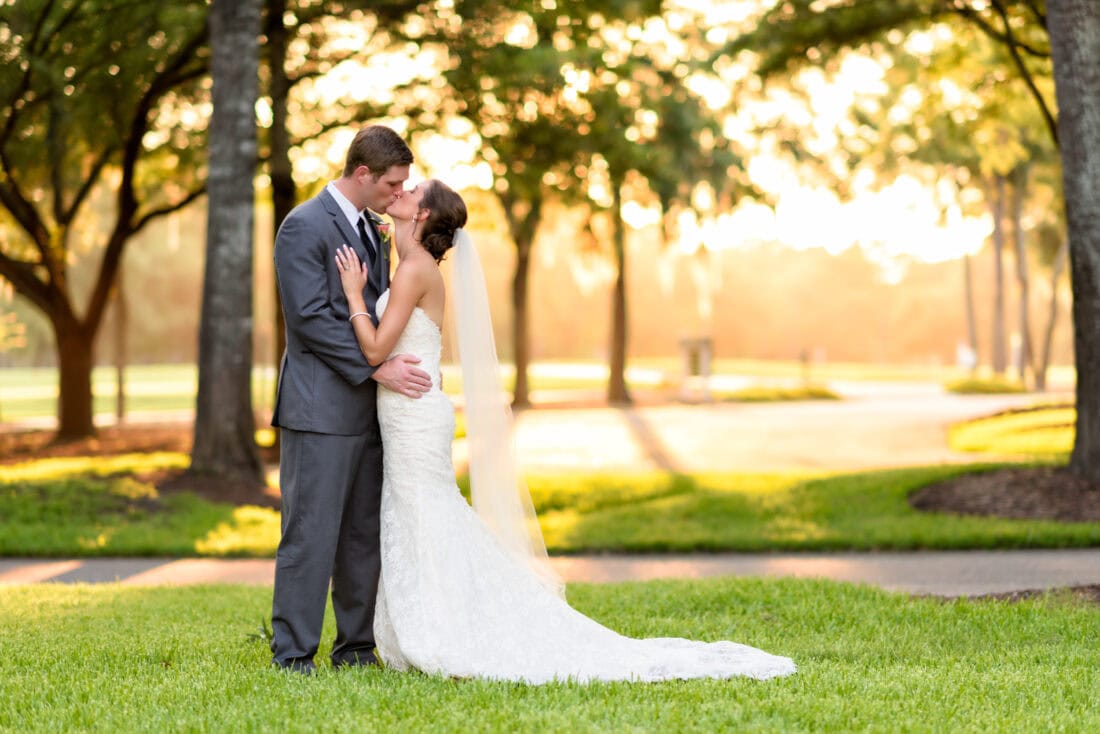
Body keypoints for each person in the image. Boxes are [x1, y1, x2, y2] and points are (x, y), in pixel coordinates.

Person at [334, 179, 797, 683]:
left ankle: (450, 626)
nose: (404, 189)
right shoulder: (410, 266)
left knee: (426, 513)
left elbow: (377, 350)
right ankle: (437, 620)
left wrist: (356, 295)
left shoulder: (416, 271)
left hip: (415, 415)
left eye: (414, 190)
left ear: (422, 215)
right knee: (420, 514)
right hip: (411, 412)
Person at [269, 125, 433, 674]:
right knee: (310, 534)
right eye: (392, 183)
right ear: (361, 174)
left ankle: (356, 648)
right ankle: (293, 654)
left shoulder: (373, 227)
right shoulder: (304, 226)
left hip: (370, 414)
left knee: (364, 533)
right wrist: (378, 368)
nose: (398, 193)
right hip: (319, 410)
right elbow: (309, 318)